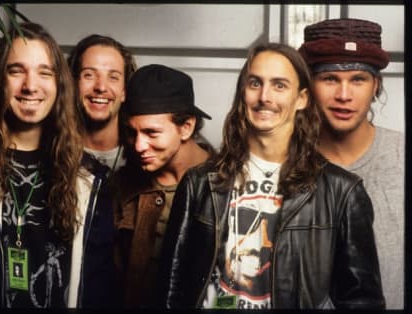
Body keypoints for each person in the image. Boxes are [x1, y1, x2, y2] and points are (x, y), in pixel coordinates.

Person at [156, 43, 385, 309]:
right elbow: (170, 289)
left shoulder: (342, 192)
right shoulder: (200, 183)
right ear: (243, 92)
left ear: (302, 98)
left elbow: (362, 302)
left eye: (279, 85)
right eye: (255, 83)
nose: (265, 97)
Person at [0, 22, 114, 308]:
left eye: (45, 72)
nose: (31, 86)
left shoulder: (88, 177)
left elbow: (98, 288)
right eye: (16, 70)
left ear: (59, 85)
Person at [298, 18, 404, 309]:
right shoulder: (286, 166)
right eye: (329, 79)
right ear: (308, 87)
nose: (344, 96)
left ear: (376, 86)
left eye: (358, 79)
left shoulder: (401, 157)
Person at [113, 64, 214, 307]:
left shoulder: (228, 186)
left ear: (186, 127)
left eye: (152, 132)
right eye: (131, 132)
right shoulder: (120, 187)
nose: (138, 145)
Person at [67, 34, 137, 176]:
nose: (101, 87)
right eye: (89, 75)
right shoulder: (54, 152)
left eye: (113, 77)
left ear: (124, 90)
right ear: (73, 84)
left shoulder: (143, 154)